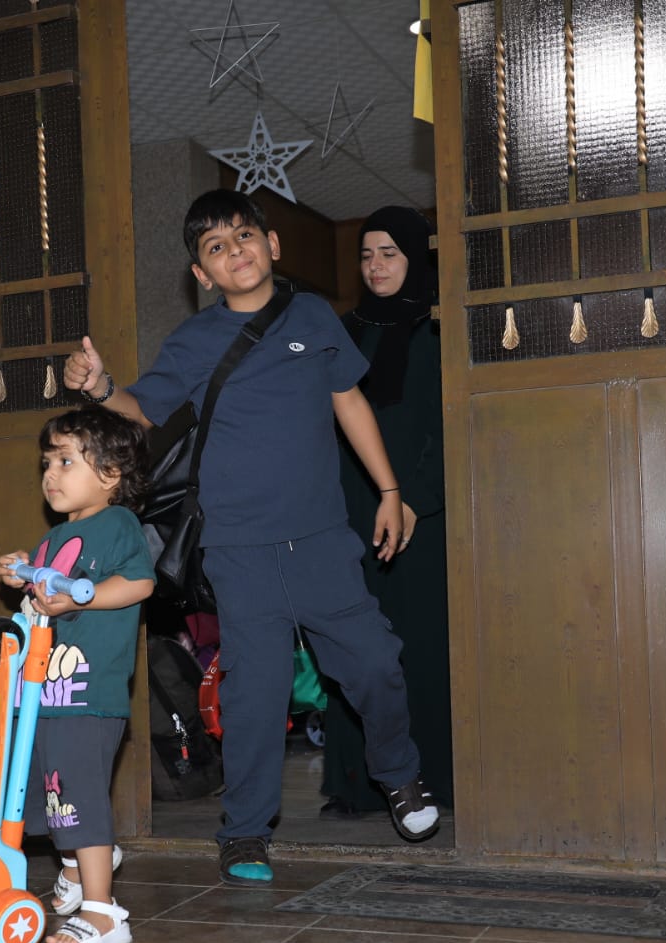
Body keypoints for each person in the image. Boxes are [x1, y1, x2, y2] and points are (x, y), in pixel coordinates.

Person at [64, 188, 441, 888]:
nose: (234, 250)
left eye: (243, 235)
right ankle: (243, 830)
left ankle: (398, 773)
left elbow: (348, 400)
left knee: (374, 664)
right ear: (201, 275)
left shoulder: (312, 316)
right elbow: (144, 411)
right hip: (237, 550)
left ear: (272, 245)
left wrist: (390, 491)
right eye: (215, 246)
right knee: (253, 696)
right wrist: (101, 385)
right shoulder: (194, 341)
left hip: (322, 540)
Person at [0, 406, 155, 943]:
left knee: (78, 796)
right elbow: (45, 600)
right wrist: (25, 573)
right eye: (47, 462)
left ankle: (104, 913)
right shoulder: (54, 539)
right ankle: (76, 865)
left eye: (66, 461)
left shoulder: (118, 525)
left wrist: (78, 599)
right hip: (43, 694)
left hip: (88, 695)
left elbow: (139, 584)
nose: (51, 474)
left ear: (110, 474)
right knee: (48, 794)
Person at [321, 206, 454, 819]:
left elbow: (446, 424)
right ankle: (359, 784)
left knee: (421, 646)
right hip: (349, 514)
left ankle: (432, 778)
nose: (376, 266)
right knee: (354, 650)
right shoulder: (341, 333)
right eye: (367, 255)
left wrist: (416, 500)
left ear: (416, 258)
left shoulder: (440, 329)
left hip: (422, 517)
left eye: (390, 254)